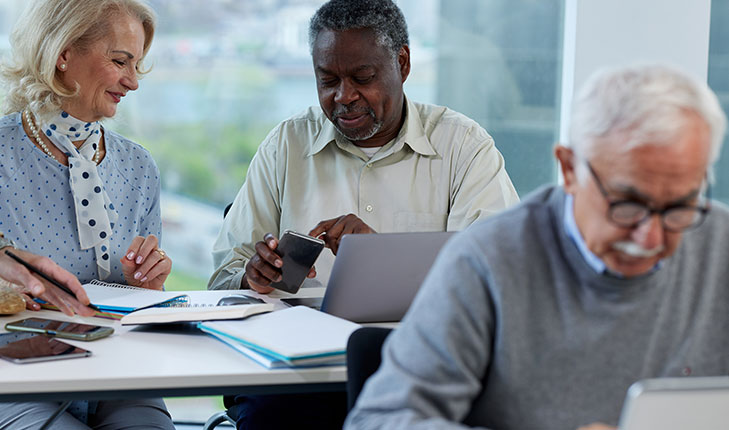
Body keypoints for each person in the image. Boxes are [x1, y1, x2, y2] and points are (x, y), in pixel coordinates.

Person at [345, 63, 729, 430]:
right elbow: (378, 421)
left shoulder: (721, 245)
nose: (652, 238)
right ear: (569, 169)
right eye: (627, 205)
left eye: (679, 206)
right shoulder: (488, 260)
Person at [209, 0, 519, 295]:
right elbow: (222, 279)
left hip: (415, 343)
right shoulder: (285, 146)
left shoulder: (464, 148)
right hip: (296, 344)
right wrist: (253, 279)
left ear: (402, 64)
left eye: (363, 78)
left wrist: (384, 259)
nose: (344, 96)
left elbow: (497, 275)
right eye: (328, 80)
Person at [0, 0, 174, 428]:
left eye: (137, 66)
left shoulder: (139, 167)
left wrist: (146, 285)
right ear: (63, 54)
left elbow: (142, 301)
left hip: (119, 370)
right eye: (120, 61)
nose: (132, 82)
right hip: (19, 376)